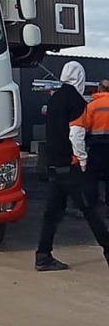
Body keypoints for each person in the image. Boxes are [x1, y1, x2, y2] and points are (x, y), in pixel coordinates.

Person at [35, 61, 109, 271]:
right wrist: (82, 158)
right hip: (72, 165)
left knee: (53, 212)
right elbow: (75, 133)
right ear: (80, 77)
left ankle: (43, 255)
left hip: (55, 165)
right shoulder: (75, 100)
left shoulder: (55, 99)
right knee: (91, 210)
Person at [83, 80, 109, 215]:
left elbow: (85, 126)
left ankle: (93, 203)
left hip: (97, 147)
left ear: (100, 88)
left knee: (91, 176)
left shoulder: (92, 106)